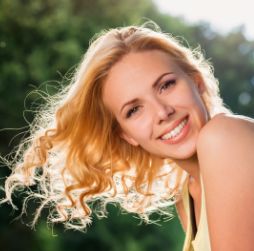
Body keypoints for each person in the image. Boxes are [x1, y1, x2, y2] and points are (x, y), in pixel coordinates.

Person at [2, 23, 254, 251]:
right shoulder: (187, 194)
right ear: (127, 135)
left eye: (166, 85)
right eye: (134, 110)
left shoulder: (224, 137)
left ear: (196, 83)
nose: (162, 112)